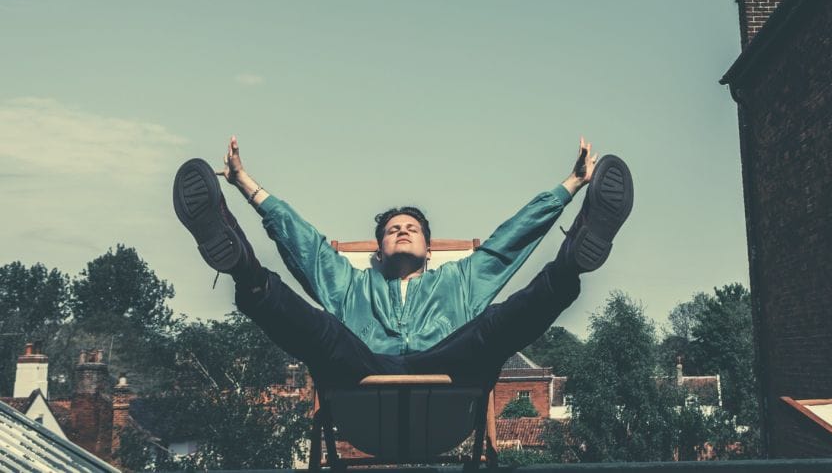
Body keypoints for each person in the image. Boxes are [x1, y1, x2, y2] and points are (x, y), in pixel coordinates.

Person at [172, 136, 632, 389]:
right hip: (361, 379)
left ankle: (573, 261)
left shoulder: (459, 282)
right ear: (377, 252)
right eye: (393, 229)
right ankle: (241, 265)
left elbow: (507, 243)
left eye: (412, 227)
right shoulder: (351, 287)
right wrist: (246, 185)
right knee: (324, 332)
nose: (403, 229)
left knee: (491, 327)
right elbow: (305, 243)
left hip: (451, 383)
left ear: (430, 250)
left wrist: (570, 186)